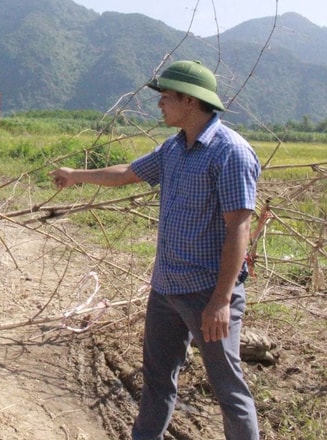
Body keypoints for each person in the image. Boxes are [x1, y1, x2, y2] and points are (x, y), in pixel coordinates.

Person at [51, 60, 261, 440]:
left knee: (228, 389)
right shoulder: (174, 149)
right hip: (166, 289)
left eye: (166, 97)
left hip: (206, 294)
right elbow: (128, 173)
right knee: (157, 382)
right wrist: (76, 175)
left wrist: (221, 299)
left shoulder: (231, 153)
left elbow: (238, 229)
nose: (160, 104)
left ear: (190, 101)